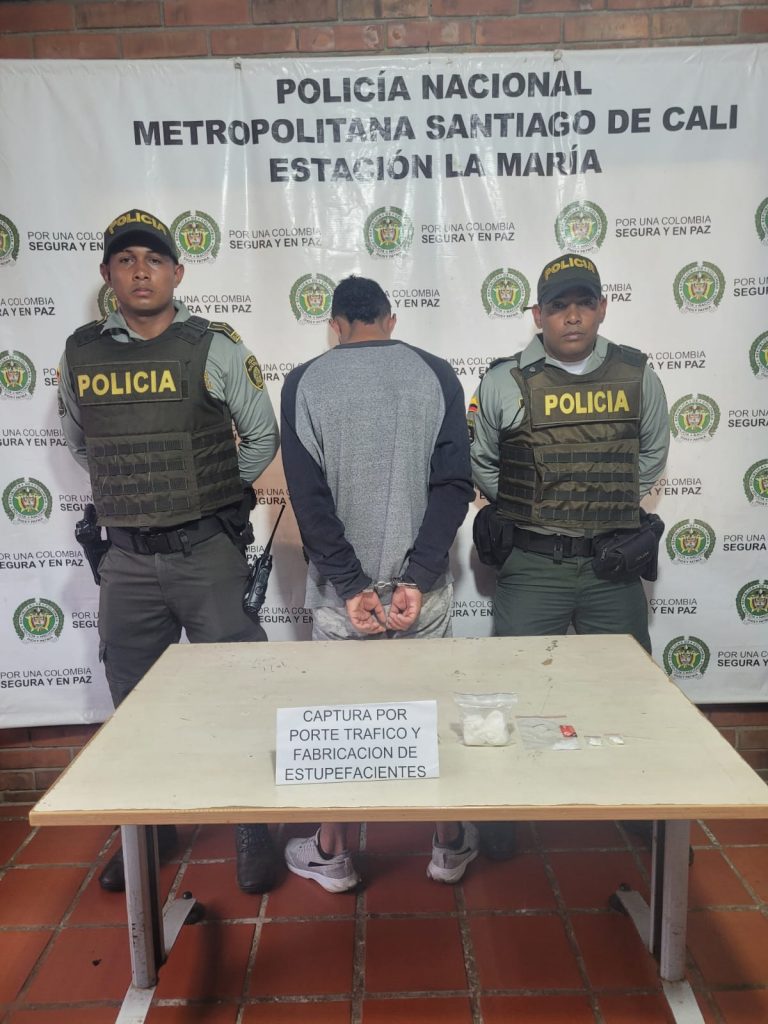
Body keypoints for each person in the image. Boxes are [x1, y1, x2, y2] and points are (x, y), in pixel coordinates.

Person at [58, 208, 281, 895]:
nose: (141, 272)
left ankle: (253, 827)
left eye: (154, 259)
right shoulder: (80, 354)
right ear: (107, 274)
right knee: (133, 704)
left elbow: (262, 438)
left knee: (239, 691)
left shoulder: (214, 346)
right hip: (126, 560)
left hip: (207, 552)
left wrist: (213, 494)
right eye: (126, 260)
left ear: (177, 273)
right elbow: (83, 444)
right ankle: (151, 830)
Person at [280, 275, 477, 892]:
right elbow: (454, 486)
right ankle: (447, 844)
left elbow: (307, 498)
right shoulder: (436, 373)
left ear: (335, 326)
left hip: (345, 600)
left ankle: (333, 852)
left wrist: (351, 584)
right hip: (423, 593)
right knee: (433, 713)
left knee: (339, 725)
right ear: (391, 321)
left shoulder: (304, 382)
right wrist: (416, 576)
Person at [467, 254, 669, 856]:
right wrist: (534, 506)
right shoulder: (504, 381)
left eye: (584, 303)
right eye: (558, 305)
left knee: (627, 691)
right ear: (538, 315)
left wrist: (606, 505)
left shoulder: (637, 375)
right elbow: (483, 461)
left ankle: (640, 803)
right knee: (514, 689)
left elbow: (652, 454)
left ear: (603, 308)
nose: (572, 316)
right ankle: (505, 810)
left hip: (612, 564)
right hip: (534, 565)